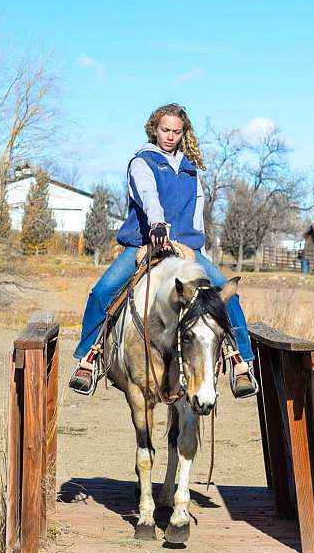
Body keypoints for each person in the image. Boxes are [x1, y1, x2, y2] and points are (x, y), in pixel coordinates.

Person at [69, 103, 258, 399]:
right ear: (154, 129)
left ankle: (241, 362)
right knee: (102, 291)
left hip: (187, 249)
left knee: (224, 292)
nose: (170, 136)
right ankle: (88, 358)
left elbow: (196, 217)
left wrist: (199, 252)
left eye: (176, 131)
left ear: (184, 133)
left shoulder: (190, 170)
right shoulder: (142, 162)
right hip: (143, 244)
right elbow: (148, 195)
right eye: (165, 130)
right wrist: (157, 226)